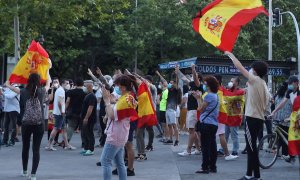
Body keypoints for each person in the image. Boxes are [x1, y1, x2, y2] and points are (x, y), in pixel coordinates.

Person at [225, 51, 269, 180]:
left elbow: (239, 67)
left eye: (251, 68)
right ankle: (250, 175)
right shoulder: (262, 84)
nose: (249, 70)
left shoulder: (255, 80)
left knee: (252, 148)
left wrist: (231, 55)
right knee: (251, 148)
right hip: (258, 119)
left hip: (252, 118)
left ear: (255, 71)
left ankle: (256, 176)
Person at [6, 72, 51, 180]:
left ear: (28, 80)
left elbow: (9, 86)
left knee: (25, 148)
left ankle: (25, 171)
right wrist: (47, 70)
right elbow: (49, 83)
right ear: (39, 81)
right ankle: (34, 174)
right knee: (36, 149)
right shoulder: (41, 91)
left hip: (26, 123)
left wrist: (10, 80)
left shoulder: (23, 91)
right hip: (39, 124)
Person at [100, 74, 138, 180]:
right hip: (122, 134)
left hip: (115, 135)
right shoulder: (129, 97)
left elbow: (113, 116)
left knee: (105, 161)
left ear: (123, 87)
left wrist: (107, 101)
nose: (117, 88)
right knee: (120, 163)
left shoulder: (125, 99)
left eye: (118, 86)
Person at [270, 75, 299, 163]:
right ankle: (291, 156)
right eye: (289, 84)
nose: (289, 85)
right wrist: (274, 112)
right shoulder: (289, 91)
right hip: (296, 115)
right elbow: (282, 102)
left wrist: (291, 117)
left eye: (291, 84)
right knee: (292, 135)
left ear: (296, 83)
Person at [194, 76, 220, 174]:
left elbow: (201, 108)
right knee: (213, 146)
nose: (204, 85)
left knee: (205, 146)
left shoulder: (209, 96)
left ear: (209, 85)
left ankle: (205, 167)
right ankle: (213, 166)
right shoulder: (216, 96)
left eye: (205, 83)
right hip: (213, 124)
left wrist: (198, 98)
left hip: (206, 124)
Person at [177, 64, 202, 156]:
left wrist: (193, 69)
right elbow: (183, 78)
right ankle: (198, 149)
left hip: (194, 110)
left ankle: (188, 150)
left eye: (192, 76)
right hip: (190, 110)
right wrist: (177, 70)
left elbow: (195, 78)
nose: (191, 77)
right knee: (192, 131)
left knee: (191, 130)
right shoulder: (191, 86)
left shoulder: (198, 85)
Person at [46, 79, 76, 151]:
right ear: (63, 83)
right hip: (60, 113)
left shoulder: (60, 90)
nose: (68, 84)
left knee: (64, 129)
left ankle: (67, 145)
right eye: (67, 83)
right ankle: (49, 145)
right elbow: (60, 102)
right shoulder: (61, 91)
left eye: (68, 83)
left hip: (59, 112)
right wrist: (62, 112)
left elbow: (60, 102)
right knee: (56, 128)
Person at [214, 75, 238, 161]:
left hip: (213, 115)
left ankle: (213, 152)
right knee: (221, 134)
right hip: (219, 114)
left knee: (215, 134)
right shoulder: (221, 89)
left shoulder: (212, 90)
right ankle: (227, 154)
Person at [225, 77, 245, 156]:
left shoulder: (240, 91)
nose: (230, 82)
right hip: (228, 116)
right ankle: (223, 149)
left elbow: (230, 97)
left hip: (235, 117)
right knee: (225, 135)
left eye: (232, 81)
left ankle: (235, 150)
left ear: (236, 83)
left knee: (234, 135)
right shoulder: (229, 91)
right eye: (230, 81)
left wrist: (224, 92)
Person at [273, 82, 292, 158]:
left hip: (278, 118)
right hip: (286, 119)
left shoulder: (277, 96)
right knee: (285, 136)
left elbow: (275, 106)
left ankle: (278, 151)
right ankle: (285, 153)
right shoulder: (289, 95)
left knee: (280, 136)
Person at [66, 78, 86, 144]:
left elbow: (68, 101)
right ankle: (84, 143)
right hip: (82, 112)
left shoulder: (70, 92)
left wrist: (65, 109)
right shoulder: (85, 93)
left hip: (72, 112)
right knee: (83, 128)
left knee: (71, 127)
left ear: (75, 84)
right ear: (83, 84)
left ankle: (67, 141)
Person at [80, 80, 97, 156]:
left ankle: (91, 149)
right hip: (85, 117)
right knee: (85, 133)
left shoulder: (92, 96)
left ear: (90, 86)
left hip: (90, 118)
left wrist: (86, 118)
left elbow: (90, 108)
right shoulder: (88, 95)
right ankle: (86, 148)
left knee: (89, 133)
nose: (84, 87)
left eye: (85, 86)